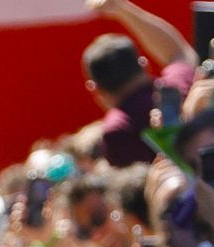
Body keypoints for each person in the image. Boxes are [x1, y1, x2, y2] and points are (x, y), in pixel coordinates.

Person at [81, 0, 199, 167]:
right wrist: (123, 8)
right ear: (144, 64)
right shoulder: (179, 84)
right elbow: (179, 51)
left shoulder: (116, 130)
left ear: (94, 88)